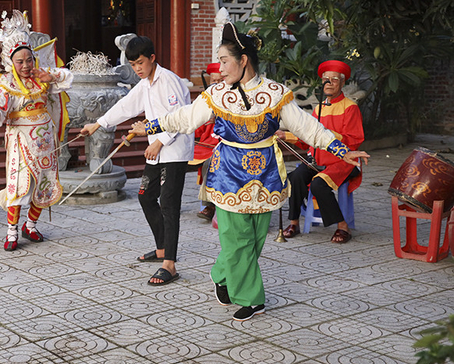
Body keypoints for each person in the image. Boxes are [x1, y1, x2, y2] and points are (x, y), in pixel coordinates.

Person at [129, 23, 369, 320]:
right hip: (228, 173)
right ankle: (252, 298)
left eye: (225, 60)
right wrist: (152, 126)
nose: (221, 67)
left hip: (266, 174)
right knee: (237, 236)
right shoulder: (216, 94)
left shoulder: (275, 93)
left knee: (255, 238)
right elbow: (185, 118)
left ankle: (221, 274)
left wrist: (342, 150)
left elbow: (308, 127)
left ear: (243, 61)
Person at [80, 36, 193, 286]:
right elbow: (125, 106)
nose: (137, 69)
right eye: (133, 65)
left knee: (169, 204)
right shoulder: (145, 84)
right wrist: (98, 124)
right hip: (157, 150)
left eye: (140, 63)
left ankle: (170, 265)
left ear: (152, 58)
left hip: (173, 151)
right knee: (145, 195)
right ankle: (162, 248)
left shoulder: (169, 81)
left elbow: (181, 117)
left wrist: (159, 141)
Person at [0, 10, 72, 251]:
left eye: (29, 59)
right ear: (11, 62)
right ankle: (11, 232)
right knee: (18, 184)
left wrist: (51, 75)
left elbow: (68, 77)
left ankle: (31, 224)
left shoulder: (43, 76)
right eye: (20, 62)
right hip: (20, 138)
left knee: (44, 182)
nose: (26, 65)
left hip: (45, 139)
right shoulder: (7, 82)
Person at [278, 60, 364, 243]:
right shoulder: (319, 107)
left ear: (342, 83)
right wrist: (285, 136)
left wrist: (327, 135)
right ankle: (294, 222)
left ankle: (343, 226)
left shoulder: (350, 107)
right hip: (316, 160)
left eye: (334, 79)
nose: (329, 82)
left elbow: (354, 141)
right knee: (295, 178)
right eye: (326, 79)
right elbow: (308, 137)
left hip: (342, 162)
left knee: (318, 184)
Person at [193, 62, 223, 221]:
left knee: (210, 162)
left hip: (224, 146)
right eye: (214, 81)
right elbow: (196, 129)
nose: (217, 85)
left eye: (220, 81)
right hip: (205, 145)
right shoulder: (205, 101)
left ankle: (210, 205)